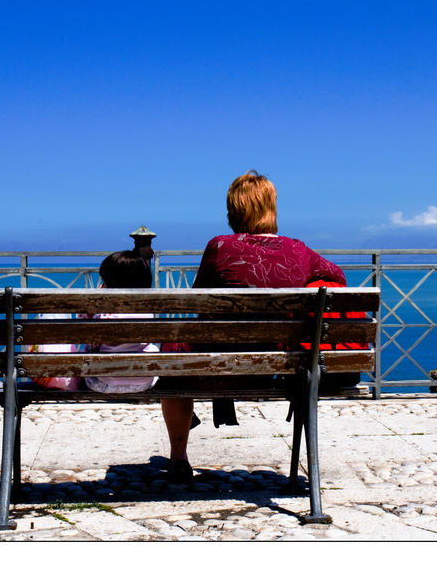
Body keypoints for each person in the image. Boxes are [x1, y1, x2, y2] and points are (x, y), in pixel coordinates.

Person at [160, 170, 345, 484]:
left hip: (218, 369)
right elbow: (338, 278)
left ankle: (179, 457)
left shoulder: (219, 247)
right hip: (281, 370)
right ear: (272, 208)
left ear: (234, 210)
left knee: (173, 360)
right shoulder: (299, 250)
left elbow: (196, 303)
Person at [82, 250, 158, 393]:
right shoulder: (147, 312)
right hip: (145, 382)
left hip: (105, 383)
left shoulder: (104, 316)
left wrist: (93, 308)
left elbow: (90, 345)